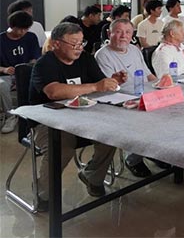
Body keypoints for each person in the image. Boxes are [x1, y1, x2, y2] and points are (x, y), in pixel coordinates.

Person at [29, 22, 124, 208]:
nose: (79, 48)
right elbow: (54, 92)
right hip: (48, 120)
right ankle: (43, 192)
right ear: (56, 44)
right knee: (62, 147)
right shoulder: (44, 64)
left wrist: (112, 81)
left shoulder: (86, 59)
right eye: (74, 43)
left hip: (84, 115)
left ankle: (92, 176)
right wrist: (95, 86)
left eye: (82, 43)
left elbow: (100, 84)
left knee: (112, 133)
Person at [94, 19, 157, 178]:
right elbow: (110, 87)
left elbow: (148, 74)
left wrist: (160, 87)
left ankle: (153, 151)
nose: (123, 36)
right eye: (118, 32)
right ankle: (133, 159)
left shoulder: (135, 50)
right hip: (120, 100)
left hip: (143, 94)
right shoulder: (103, 55)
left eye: (128, 32)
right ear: (109, 33)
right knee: (140, 118)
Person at [0, 11, 41, 133]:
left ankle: (33, 114)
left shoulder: (31, 37)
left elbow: (35, 58)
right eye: (20, 29)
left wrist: (27, 68)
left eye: (26, 29)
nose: (23, 32)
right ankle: (10, 116)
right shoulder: (1, 40)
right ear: (12, 26)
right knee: (2, 86)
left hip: (26, 72)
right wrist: (4, 69)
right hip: (6, 74)